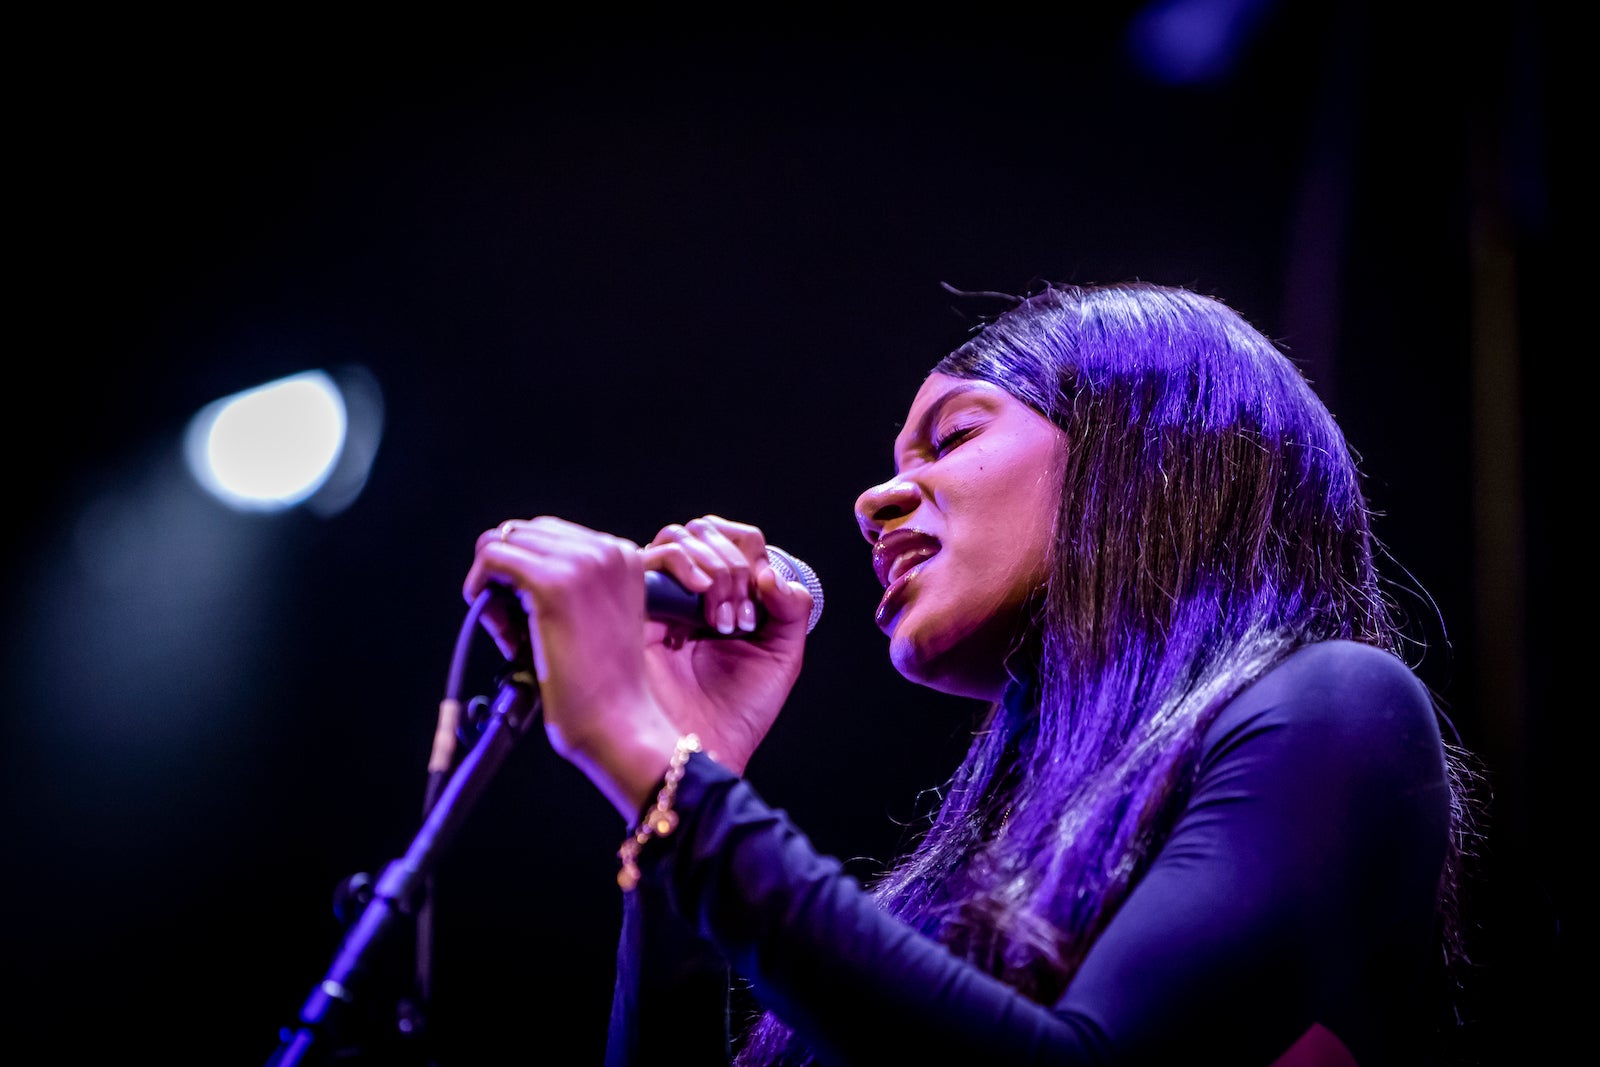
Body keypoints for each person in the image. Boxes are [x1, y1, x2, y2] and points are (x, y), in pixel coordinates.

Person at [463, 280, 1479, 1066]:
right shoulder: (995, 861)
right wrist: (683, 771)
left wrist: (659, 773)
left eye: (951, 435)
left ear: (1140, 454)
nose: (874, 499)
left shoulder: (1338, 705)